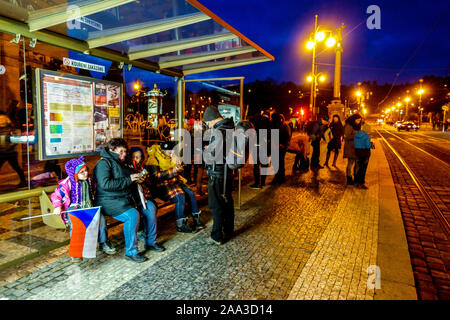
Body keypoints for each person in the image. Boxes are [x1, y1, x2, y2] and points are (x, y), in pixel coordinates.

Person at [94, 138, 159, 263]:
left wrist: (139, 179)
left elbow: (130, 180)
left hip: (126, 198)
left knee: (150, 207)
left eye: (125, 151)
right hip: (108, 201)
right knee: (132, 215)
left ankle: (151, 242)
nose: (124, 154)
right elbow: (105, 184)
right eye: (121, 151)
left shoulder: (125, 161)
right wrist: (129, 179)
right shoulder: (103, 163)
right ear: (112, 150)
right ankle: (131, 251)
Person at [50, 156, 115, 257]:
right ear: (74, 174)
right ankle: (77, 249)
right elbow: (56, 195)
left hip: (89, 206)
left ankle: (104, 242)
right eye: (82, 172)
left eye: (86, 170)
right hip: (74, 207)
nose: (86, 173)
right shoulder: (66, 184)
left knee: (101, 220)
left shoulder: (90, 181)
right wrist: (57, 206)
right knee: (76, 224)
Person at [146, 142, 203, 233]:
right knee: (180, 196)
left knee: (190, 193)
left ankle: (196, 220)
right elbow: (156, 176)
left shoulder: (172, 156)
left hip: (173, 182)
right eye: (170, 151)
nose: (172, 152)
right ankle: (181, 225)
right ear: (163, 150)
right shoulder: (154, 158)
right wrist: (174, 170)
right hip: (161, 185)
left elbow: (177, 169)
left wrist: (178, 167)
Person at [203, 106, 235, 245]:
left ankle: (216, 236)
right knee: (227, 201)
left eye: (208, 123)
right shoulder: (229, 127)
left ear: (212, 119)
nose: (208, 126)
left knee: (215, 205)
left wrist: (207, 151)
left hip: (217, 173)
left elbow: (214, 155)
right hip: (227, 172)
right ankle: (228, 230)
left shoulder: (218, 131)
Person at [126, 146, 165, 252]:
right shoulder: (126, 167)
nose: (136, 159)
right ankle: (138, 239)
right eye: (133, 157)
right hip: (131, 200)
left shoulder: (142, 168)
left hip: (144, 198)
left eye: (138, 157)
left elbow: (149, 186)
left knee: (151, 207)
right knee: (136, 213)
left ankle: (151, 242)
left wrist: (144, 180)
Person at [0, 111, 27, 187]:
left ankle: (23, 182)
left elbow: (15, 140)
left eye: (3, 119)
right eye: (0, 119)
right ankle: (23, 182)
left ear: (6, 120)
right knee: (17, 167)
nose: (1, 121)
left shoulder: (11, 129)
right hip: (2, 153)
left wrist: (9, 146)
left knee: (17, 167)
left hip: (10, 153)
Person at [249, 111, 271, 189]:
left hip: (256, 145)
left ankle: (256, 183)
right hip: (264, 145)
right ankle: (262, 183)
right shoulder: (268, 121)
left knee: (256, 165)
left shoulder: (256, 119)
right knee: (264, 165)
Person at [270, 112, 291, 184]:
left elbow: (287, 136)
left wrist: (283, 144)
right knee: (279, 163)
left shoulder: (281, 126)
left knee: (279, 163)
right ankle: (280, 178)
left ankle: (279, 178)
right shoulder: (278, 125)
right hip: (278, 146)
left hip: (280, 147)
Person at [343, 113, 362, 185]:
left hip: (356, 147)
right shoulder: (348, 126)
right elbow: (346, 136)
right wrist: (356, 134)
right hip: (350, 147)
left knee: (357, 163)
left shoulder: (357, 126)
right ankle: (349, 178)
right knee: (350, 163)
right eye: (357, 120)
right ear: (354, 119)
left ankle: (356, 177)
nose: (359, 122)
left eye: (360, 120)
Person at [354, 121, 374, 189]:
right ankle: (361, 183)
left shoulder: (357, 134)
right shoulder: (366, 136)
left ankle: (356, 182)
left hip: (357, 152)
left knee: (358, 168)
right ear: (367, 129)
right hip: (365, 153)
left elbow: (355, 144)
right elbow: (367, 145)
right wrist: (371, 144)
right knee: (363, 169)